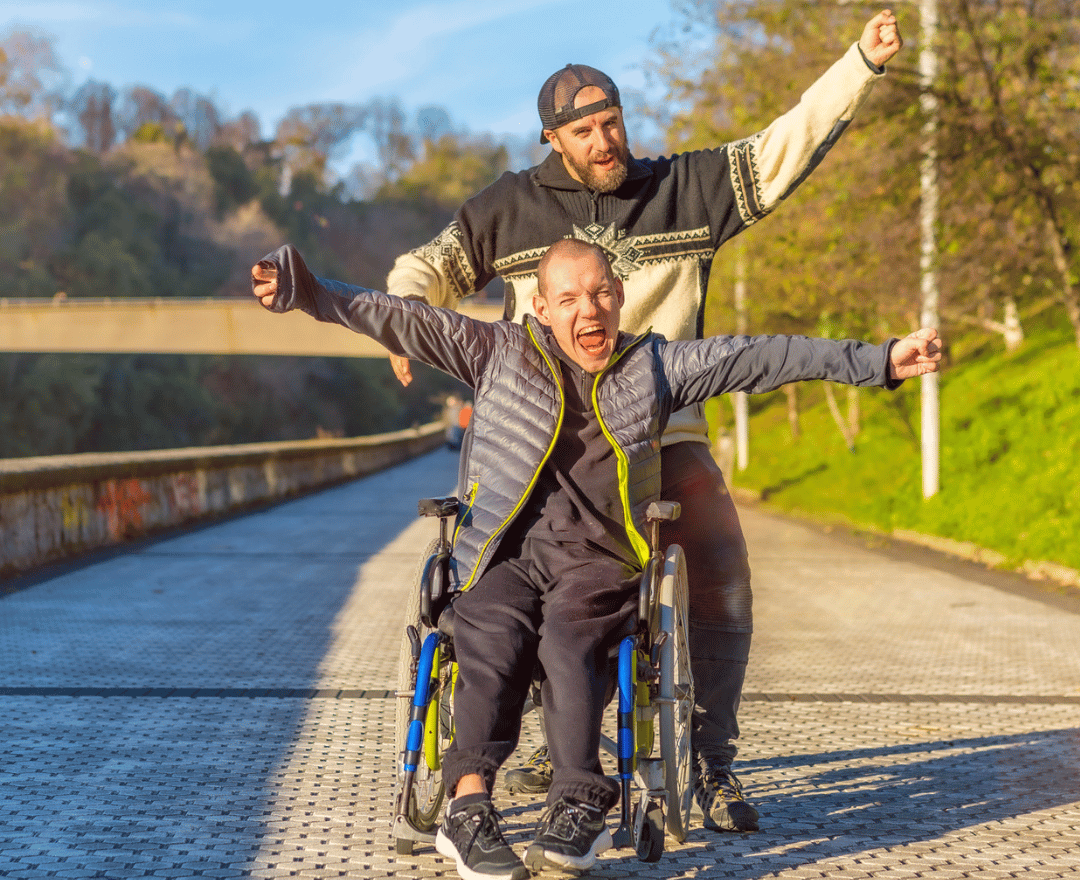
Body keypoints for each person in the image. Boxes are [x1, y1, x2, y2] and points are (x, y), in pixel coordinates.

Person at [251, 238, 941, 879]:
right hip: (504, 552)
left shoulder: (655, 366)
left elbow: (764, 355)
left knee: (571, 639)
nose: (591, 310)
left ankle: (579, 801)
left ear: (619, 296)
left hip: (599, 558)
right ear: (542, 309)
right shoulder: (493, 352)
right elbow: (393, 314)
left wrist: (877, 362)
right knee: (489, 634)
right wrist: (305, 289)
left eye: (602, 294)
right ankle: (467, 809)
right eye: (571, 299)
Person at [381, 11, 904, 832]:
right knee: (526, 581)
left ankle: (713, 761)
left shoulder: (682, 189)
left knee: (722, 574)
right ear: (554, 137)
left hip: (667, 434)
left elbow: (785, 146)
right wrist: (408, 315)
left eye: (613, 120)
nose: (605, 137)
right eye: (586, 128)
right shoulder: (509, 208)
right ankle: (540, 750)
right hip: (552, 447)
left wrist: (860, 65)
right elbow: (429, 266)